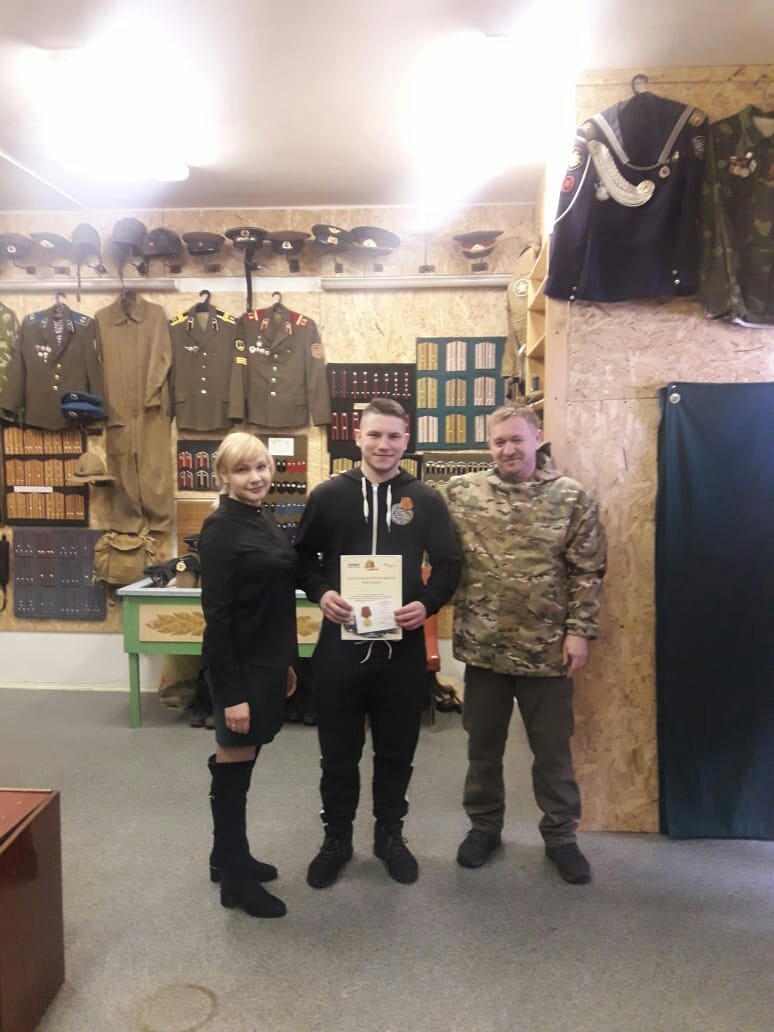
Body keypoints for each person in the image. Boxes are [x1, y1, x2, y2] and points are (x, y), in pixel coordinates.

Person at [295, 397, 461, 888]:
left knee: (396, 752)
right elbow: (303, 558)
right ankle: (337, 839)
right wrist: (321, 592)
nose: (383, 444)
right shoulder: (329, 495)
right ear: (357, 438)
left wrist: (427, 604)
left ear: (406, 440)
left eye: (392, 436)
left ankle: (390, 836)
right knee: (338, 754)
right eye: (374, 435)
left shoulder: (425, 499)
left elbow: (449, 564)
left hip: (401, 652)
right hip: (339, 651)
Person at [440, 405, 607, 884]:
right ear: (488, 446)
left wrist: (579, 631)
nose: (508, 449)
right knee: (482, 749)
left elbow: (588, 570)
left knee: (552, 753)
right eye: (499, 442)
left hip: (547, 651)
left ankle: (561, 837)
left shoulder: (571, 497)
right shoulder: (461, 492)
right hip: (484, 648)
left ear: (537, 438)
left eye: (516, 439)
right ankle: (484, 829)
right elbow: (411, 516)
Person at [199, 432, 298, 918]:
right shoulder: (221, 528)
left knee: (243, 760)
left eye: (261, 466)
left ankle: (226, 857)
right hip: (238, 666)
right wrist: (232, 694)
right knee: (235, 764)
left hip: (267, 660)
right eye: (243, 470)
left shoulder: (262, 516)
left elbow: (274, 598)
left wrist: (286, 661)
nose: (256, 477)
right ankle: (236, 880)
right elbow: (216, 618)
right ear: (224, 475)